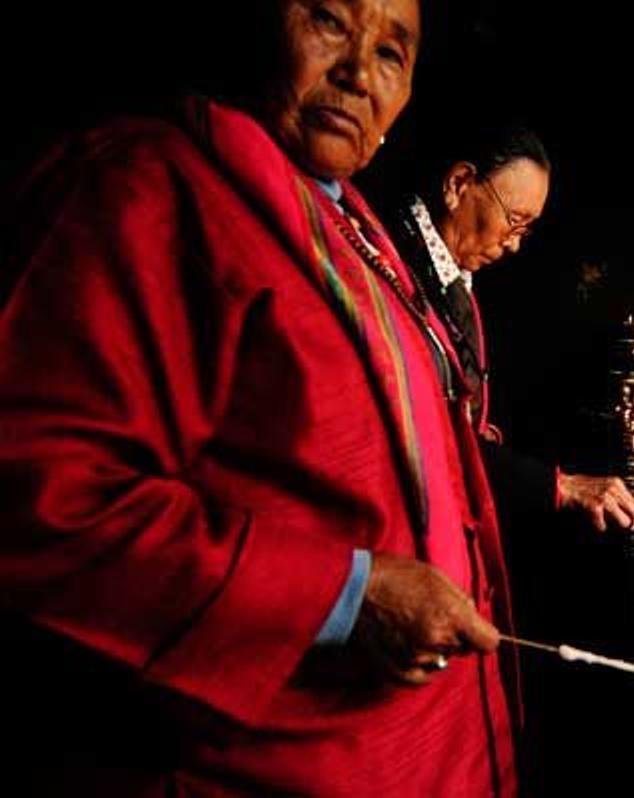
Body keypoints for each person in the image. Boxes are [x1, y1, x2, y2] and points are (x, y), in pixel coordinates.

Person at [0, 1, 519, 795]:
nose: (355, 72)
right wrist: (349, 595)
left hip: (420, 752)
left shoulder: (349, 220)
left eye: (391, 53)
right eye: (329, 22)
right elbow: (44, 503)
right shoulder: (147, 187)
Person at [391, 125, 634, 531]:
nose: (514, 245)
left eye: (526, 229)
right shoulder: (393, 262)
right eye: (514, 220)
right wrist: (556, 486)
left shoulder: (452, 273)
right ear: (458, 184)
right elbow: (425, 435)